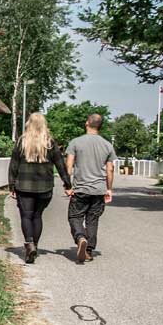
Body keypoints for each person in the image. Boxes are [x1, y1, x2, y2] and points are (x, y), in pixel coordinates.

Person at [7, 112, 73, 264]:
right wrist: (67, 184)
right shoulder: (49, 143)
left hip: (24, 186)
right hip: (45, 187)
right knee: (37, 216)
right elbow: (60, 164)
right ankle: (34, 245)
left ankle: (29, 243)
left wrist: (11, 185)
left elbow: (14, 165)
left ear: (28, 124)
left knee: (26, 216)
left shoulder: (21, 142)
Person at [65, 113, 117, 264]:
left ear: (87, 123)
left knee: (75, 217)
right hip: (98, 189)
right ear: (100, 126)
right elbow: (110, 169)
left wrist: (68, 185)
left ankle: (80, 237)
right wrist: (109, 189)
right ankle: (88, 250)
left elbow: (69, 165)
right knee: (92, 220)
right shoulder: (107, 145)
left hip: (80, 189)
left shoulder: (76, 142)